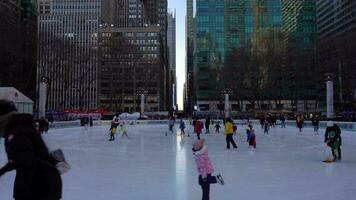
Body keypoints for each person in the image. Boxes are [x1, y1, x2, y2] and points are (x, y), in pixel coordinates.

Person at [0, 100, 62, 200]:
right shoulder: (22, 128)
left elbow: (26, 162)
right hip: (49, 181)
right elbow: (19, 159)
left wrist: (20, 194)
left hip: (39, 186)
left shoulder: (16, 133)